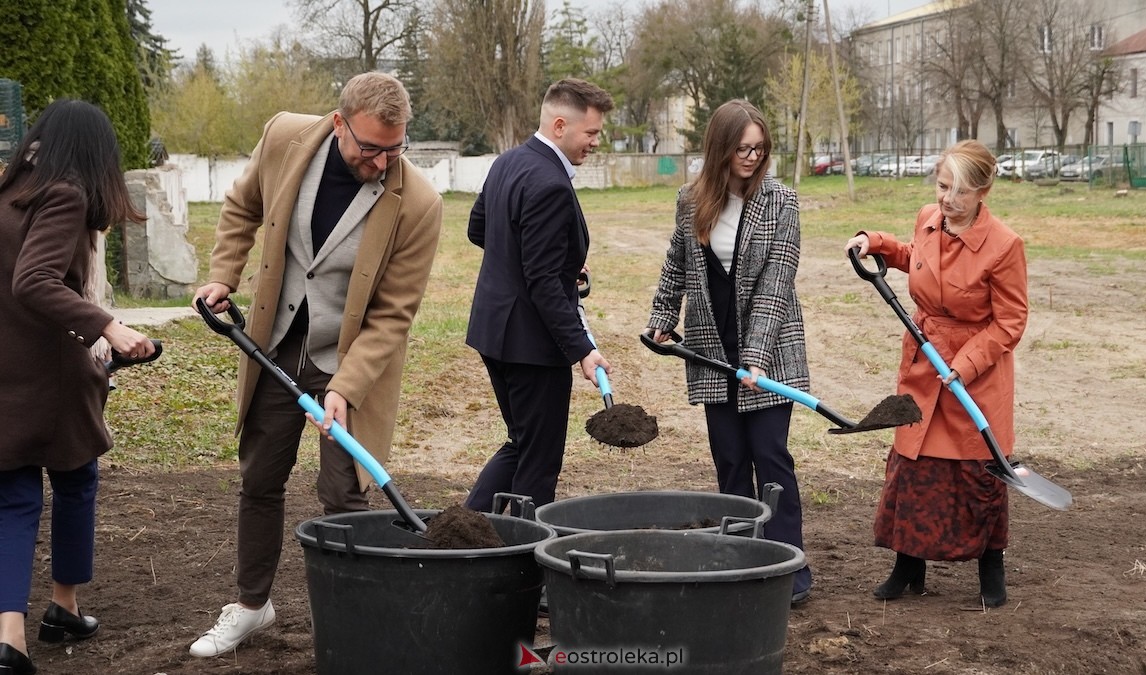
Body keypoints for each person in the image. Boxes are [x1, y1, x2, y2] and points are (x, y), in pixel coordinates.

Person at [190, 72, 442, 657]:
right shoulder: (284, 138)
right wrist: (224, 274)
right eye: (370, 148)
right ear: (339, 123)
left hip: (348, 355)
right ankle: (252, 605)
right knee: (260, 479)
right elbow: (242, 204)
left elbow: (392, 316)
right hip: (274, 342)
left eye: (396, 148)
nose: (382, 161)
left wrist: (345, 388)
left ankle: (355, 616)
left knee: (344, 493)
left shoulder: (420, 203)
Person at [0, 99, 157, 675]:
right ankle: (64, 607)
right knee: (75, 482)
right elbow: (34, 281)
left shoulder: (8, 193)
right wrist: (109, 327)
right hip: (53, 379)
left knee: (12, 500)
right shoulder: (64, 195)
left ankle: (8, 639)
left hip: (4, 380)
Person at [844, 139, 1027, 608]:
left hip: (975, 374)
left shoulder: (1005, 245)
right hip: (925, 364)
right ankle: (908, 565)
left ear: (983, 191)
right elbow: (916, 257)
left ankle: (991, 564)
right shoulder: (929, 218)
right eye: (943, 186)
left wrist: (965, 365)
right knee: (913, 465)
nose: (948, 200)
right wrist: (876, 243)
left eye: (961, 191)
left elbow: (1010, 321)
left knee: (976, 470)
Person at [645, 99, 813, 606]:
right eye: (742, 148)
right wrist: (661, 318)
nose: (751, 157)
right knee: (730, 461)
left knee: (771, 458)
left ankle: (789, 568)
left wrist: (758, 358)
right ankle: (740, 560)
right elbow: (677, 262)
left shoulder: (781, 201)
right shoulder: (691, 199)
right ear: (720, 148)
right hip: (712, 348)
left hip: (770, 351)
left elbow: (776, 284)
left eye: (759, 149)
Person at [464, 79, 614, 512]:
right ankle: (523, 560)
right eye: (591, 133)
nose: (595, 142)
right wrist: (583, 350)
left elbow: (480, 229)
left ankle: (462, 535)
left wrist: (555, 260)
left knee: (521, 443)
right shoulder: (550, 183)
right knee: (539, 458)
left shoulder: (507, 162)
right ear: (561, 124)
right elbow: (544, 283)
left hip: (495, 332)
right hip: (531, 346)